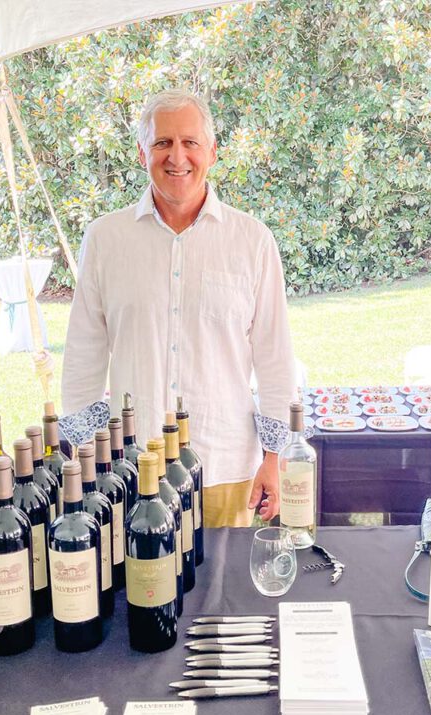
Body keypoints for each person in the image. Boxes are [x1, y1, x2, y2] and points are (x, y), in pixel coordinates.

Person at [61, 89, 296, 527]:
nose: (177, 157)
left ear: (212, 151)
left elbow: (275, 358)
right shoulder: (106, 240)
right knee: (136, 593)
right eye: (162, 143)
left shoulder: (252, 241)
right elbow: (83, 355)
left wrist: (274, 458)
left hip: (226, 468)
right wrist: (85, 458)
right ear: (140, 153)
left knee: (226, 595)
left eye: (190, 142)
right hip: (131, 472)